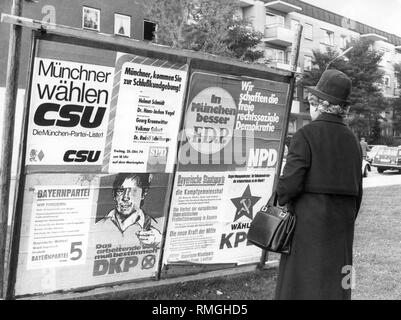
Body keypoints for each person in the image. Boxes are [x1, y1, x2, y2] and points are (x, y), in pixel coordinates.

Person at [274, 69, 363, 300]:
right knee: (336, 285)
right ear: (341, 108)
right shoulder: (353, 141)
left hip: (308, 227)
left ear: (318, 104)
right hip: (341, 227)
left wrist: (281, 195)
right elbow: (358, 193)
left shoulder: (305, 135)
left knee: (301, 286)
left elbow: (289, 187)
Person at [96, 173, 162, 248]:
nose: (126, 197)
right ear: (114, 194)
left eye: (133, 190)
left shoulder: (156, 229)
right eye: (121, 190)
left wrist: (159, 242)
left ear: (143, 194)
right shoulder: (98, 226)